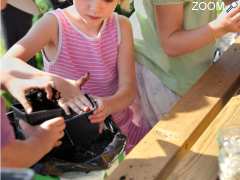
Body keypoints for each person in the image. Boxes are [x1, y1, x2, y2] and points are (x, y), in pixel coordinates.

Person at [3, 0, 150, 153]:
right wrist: (55, 82)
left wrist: (107, 105)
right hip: (74, 140)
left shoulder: (122, 25)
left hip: (123, 131)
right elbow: (8, 63)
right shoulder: (54, 24)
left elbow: (128, 91)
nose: (96, 7)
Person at [130, 0, 240, 127]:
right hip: (163, 75)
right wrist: (221, 26)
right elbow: (170, 44)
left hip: (192, 65)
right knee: (183, 134)